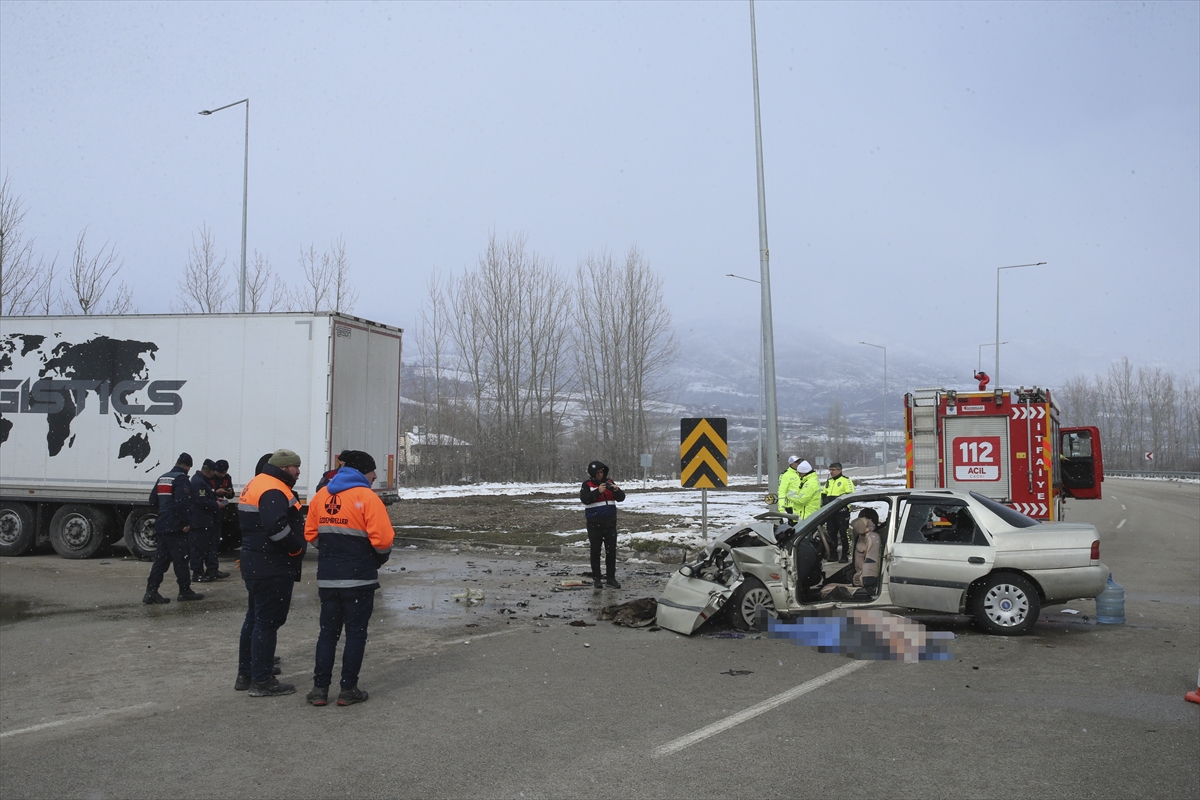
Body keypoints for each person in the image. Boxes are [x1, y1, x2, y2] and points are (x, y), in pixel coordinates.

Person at [303, 450, 394, 706]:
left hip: (328, 578)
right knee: (355, 634)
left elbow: (311, 534)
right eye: (373, 470)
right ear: (362, 471)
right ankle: (348, 690)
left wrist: (334, 553)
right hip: (359, 578)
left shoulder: (322, 496)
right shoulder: (367, 497)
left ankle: (319, 689)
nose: (376, 475)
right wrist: (373, 559)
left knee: (328, 633)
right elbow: (384, 540)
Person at [235, 448, 307, 697]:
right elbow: (276, 528)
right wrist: (296, 549)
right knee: (266, 622)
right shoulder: (274, 489)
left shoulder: (258, 483)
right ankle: (262, 681)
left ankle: (247, 673)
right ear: (285, 467)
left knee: (254, 619)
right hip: (272, 565)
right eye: (296, 467)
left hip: (256, 562)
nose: (298, 471)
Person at [143, 453, 204, 604]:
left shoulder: (163, 477)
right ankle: (185, 591)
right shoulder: (181, 479)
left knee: (161, 561)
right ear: (188, 467)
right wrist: (184, 523)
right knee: (181, 560)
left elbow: (152, 500)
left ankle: (151, 591)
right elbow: (181, 503)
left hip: (162, 524)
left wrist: (165, 509)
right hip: (175, 526)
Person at [580, 460, 626, 589]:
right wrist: (597, 491)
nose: (600, 475)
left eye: (602, 472)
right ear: (593, 474)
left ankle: (611, 578)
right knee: (595, 551)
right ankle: (597, 578)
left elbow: (621, 498)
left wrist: (617, 490)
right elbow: (585, 499)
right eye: (598, 473)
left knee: (611, 552)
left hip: (610, 523)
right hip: (594, 524)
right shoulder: (587, 484)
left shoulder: (609, 483)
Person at [819, 515, 882, 601]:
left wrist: (858, 579)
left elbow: (868, 578)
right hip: (860, 577)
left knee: (825, 591)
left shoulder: (872, 538)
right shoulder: (863, 537)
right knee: (828, 583)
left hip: (863, 581)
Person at [189, 459, 228, 582]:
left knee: (211, 545)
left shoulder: (204, 482)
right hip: (200, 520)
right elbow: (202, 501)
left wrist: (216, 499)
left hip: (207, 520)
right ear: (210, 471)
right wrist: (215, 505)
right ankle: (197, 573)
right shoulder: (198, 482)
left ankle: (212, 569)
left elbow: (206, 498)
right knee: (199, 547)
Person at [821, 462, 856, 562]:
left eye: (833, 470)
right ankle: (833, 554)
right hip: (831, 511)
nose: (831, 472)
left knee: (843, 533)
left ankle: (845, 554)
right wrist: (825, 500)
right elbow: (824, 493)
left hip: (842, 511)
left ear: (840, 470)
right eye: (830, 470)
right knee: (831, 533)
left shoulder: (846, 480)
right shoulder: (829, 481)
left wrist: (835, 499)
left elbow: (849, 493)